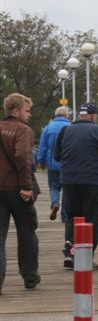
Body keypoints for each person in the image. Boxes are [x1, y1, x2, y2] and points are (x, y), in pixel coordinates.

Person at [53, 102, 98, 270]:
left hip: (69, 180)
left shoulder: (65, 130)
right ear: (92, 116)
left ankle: (70, 252)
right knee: (92, 218)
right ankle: (85, 258)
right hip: (91, 180)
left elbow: (56, 155)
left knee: (72, 217)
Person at [0, 93, 40, 292]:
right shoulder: (23, 130)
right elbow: (24, 158)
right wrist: (26, 186)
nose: (29, 114)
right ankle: (30, 277)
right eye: (27, 110)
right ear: (15, 111)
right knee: (27, 233)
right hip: (17, 190)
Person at [37, 105, 70, 220]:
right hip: (67, 164)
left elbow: (43, 147)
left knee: (54, 186)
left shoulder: (48, 128)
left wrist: (41, 161)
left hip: (52, 163)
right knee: (67, 188)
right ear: (66, 115)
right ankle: (65, 215)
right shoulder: (70, 127)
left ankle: (55, 203)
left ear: (56, 115)